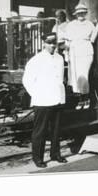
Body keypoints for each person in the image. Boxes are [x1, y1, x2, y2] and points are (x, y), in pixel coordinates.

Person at [22, 32, 67, 168]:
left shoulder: (59, 58)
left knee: (56, 129)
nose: (52, 45)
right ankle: (38, 158)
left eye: (54, 43)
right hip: (42, 100)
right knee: (40, 131)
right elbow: (27, 80)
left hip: (57, 99)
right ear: (44, 44)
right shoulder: (36, 60)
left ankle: (55, 154)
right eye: (49, 43)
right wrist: (37, 94)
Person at [64, 4, 98, 109]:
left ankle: (86, 99)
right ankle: (80, 100)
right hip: (74, 51)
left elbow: (93, 38)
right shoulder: (71, 25)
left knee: (84, 75)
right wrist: (66, 53)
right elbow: (67, 41)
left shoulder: (89, 24)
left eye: (82, 12)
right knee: (76, 77)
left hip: (85, 51)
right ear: (76, 14)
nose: (80, 14)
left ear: (85, 13)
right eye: (78, 13)